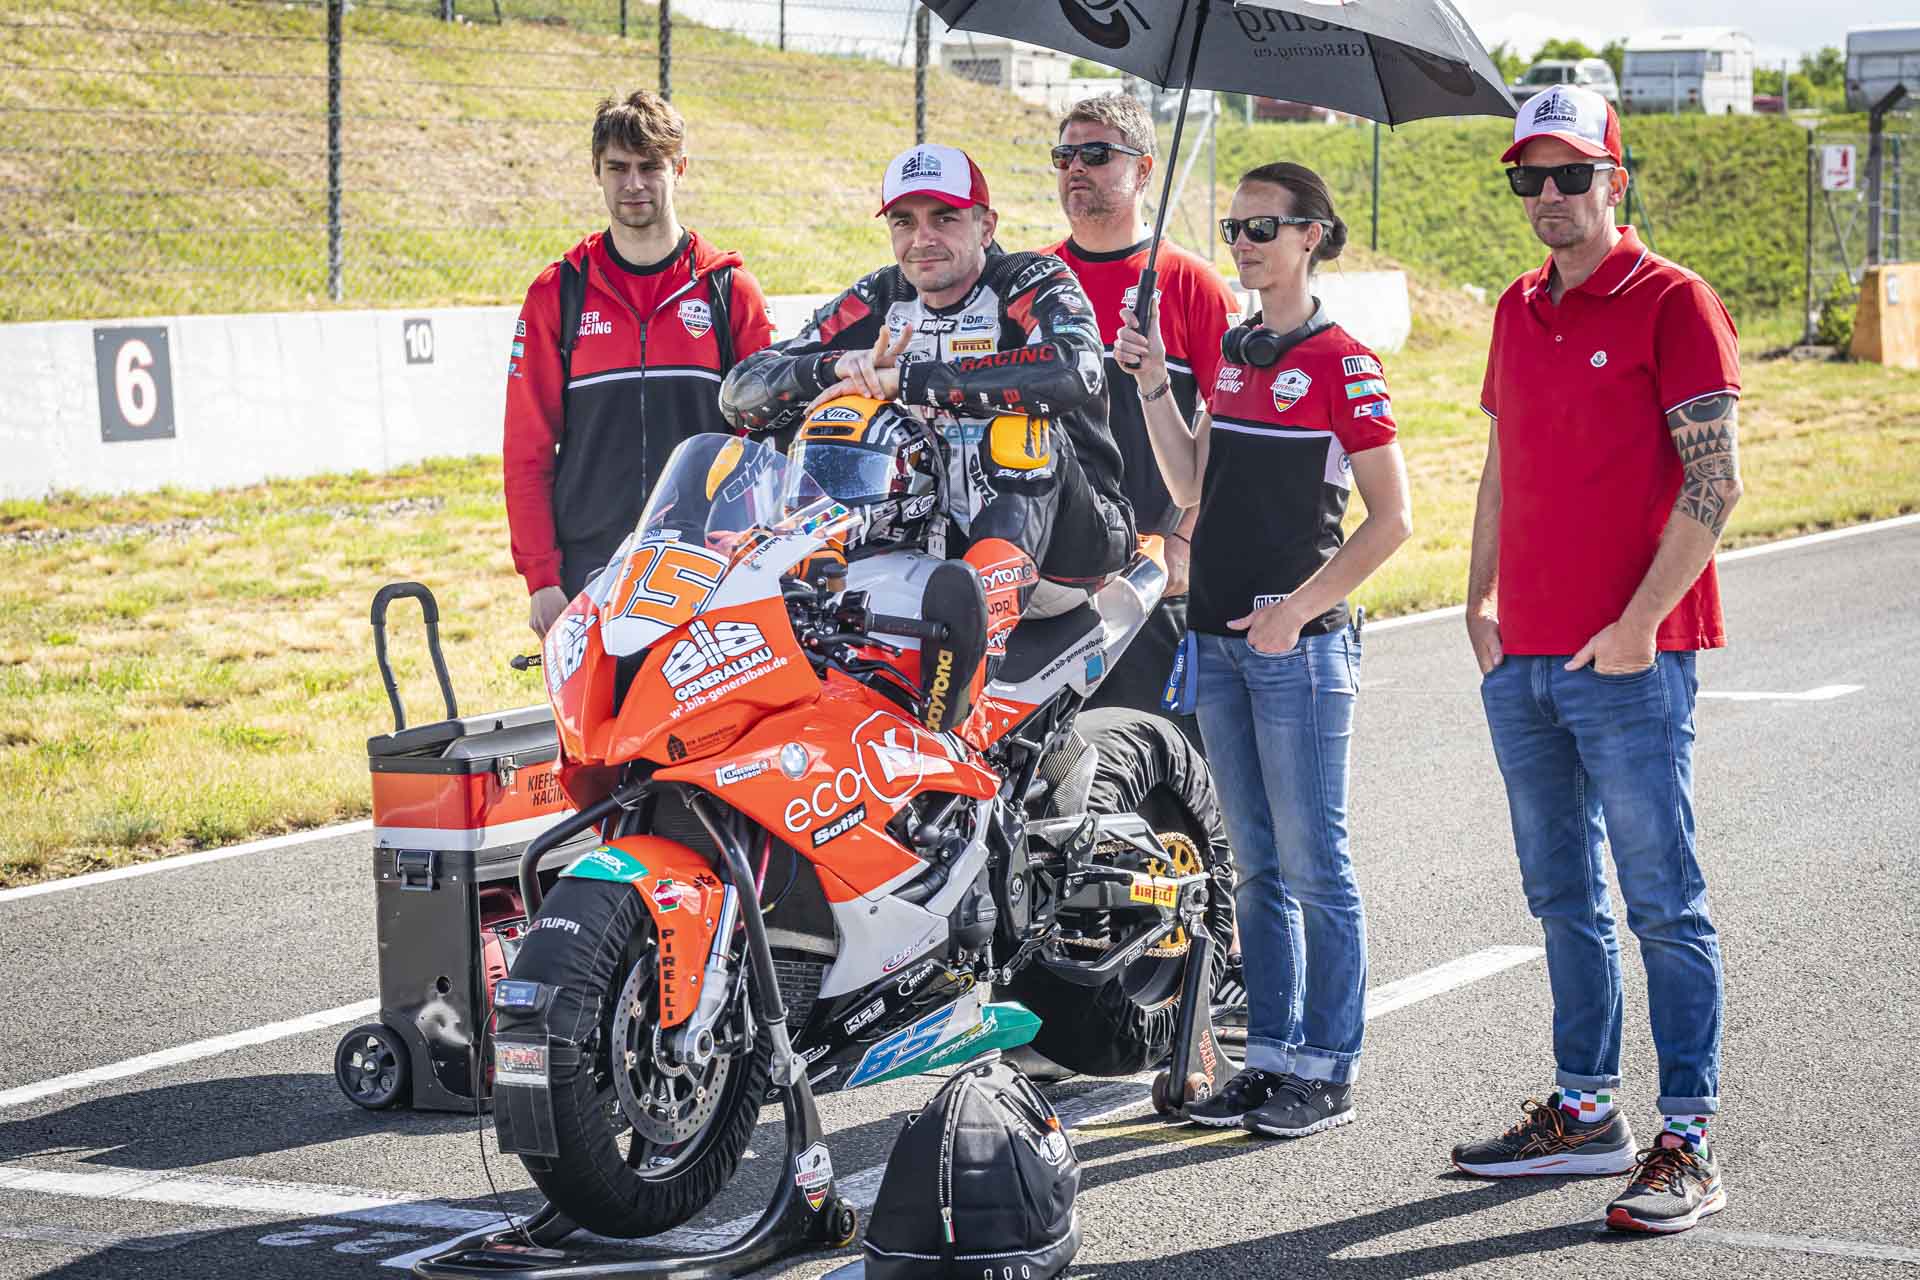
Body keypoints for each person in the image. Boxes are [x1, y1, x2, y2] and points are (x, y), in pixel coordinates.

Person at [1449, 85, 1741, 1236]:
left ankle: (1689, 1135)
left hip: (1631, 661)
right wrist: (1478, 594)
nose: (1550, 195)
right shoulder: (1516, 307)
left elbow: (1717, 480)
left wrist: (1639, 623)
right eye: (1530, 177)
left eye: (1573, 174)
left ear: (1617, 180)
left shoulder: (1675, 299)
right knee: (1562, 895)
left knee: (1663, 901)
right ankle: (1584, 1112)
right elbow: (1502, 458)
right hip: (1522, 655)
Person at [1112, 163, 1411, 1139]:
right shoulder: (1237, 351)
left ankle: (1329, 1069)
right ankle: (1272, 1056)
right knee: (1254, 871)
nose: (1242, 242)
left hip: (1298, 651)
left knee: (1315, 865)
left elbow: (1393, 520)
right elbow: (1189, 484)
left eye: (1263, 227)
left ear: (1312, 235)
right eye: (1234, 226)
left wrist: (1298, 612)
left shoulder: (1345, 362)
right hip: (1216, 640)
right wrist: (1153, 385)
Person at [718, 143, 1134, 729]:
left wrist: (913, 380)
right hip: (930, 546)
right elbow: (741, 391)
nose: (923, 239)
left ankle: (974, 651)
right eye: (904, 222)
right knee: (840, 412)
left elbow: (1076, 368)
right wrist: (835, 368)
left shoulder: (1029, 279)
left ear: (986, 226)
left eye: (944, 218)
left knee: (1017, 429)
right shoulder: (881, 296)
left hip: (1071, 542)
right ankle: (806, 599)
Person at [505, 89, 774, 636]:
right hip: (590, 567)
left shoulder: (729, 291)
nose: (633, 184)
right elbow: (526, 451)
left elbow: (768, 442)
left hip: (707, 560)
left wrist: (754, 551)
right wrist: (541, 578)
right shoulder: (557, 295)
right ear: (596, 172)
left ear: (680, 169)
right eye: (618, 167)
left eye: (650, 167)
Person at [1035, 92, 1238, 749]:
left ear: (1145, 169)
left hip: (1149, 578)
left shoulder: (1192, 284)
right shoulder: (1031, 281)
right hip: (1044, 579)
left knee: (1162, 767)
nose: (1076, 168)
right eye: (1065, 155)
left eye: (1096, 154)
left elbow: (1232, 430)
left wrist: (1184, 539)